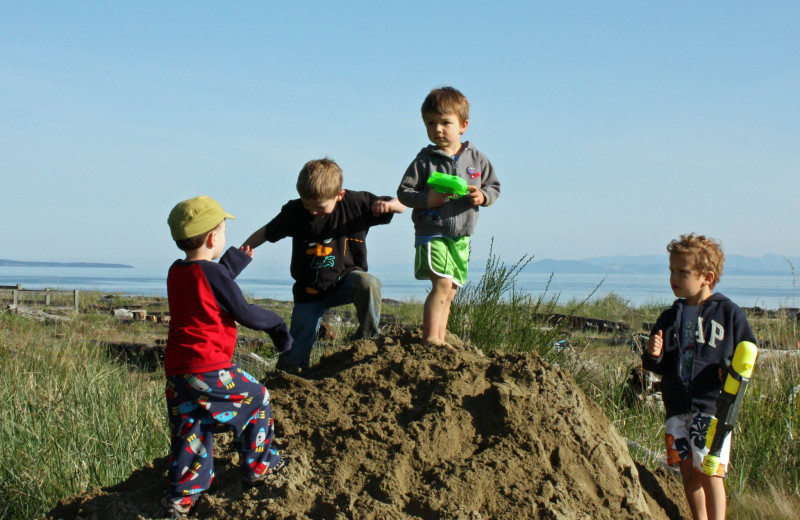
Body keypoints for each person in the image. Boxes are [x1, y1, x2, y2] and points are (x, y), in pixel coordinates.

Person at [163, 195, 293, 518]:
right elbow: (242, 310)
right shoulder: (214, 275)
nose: (224, 236)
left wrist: (230, 266)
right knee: (258, 398)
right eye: (223, 230)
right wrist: (278, 327)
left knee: (191, 428)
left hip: (179, 370)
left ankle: (181, 497)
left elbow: (204, 286)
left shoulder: (176, 272)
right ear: (212, 238)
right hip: (210, 367)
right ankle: (259, 465)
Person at [242, 158, 405, 373]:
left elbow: (402, 204)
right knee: (296, 350)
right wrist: (242, 251)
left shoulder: (355, 204)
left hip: (345, 280)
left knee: (369, 283)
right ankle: (289, 377)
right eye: (307, 205)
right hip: (309, 291)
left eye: (319, 208)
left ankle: (367, 339)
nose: (312, 212)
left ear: (340, 195)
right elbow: (266, 231)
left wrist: (391, 205)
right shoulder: (295, 211)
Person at [642, 233, 756, 520]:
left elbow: (747, 354)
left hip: (711, 408)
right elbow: (656, 365)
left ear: (707, 276)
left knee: (710, 472)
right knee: (688, 473)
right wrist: (653, 354)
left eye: (683, 272)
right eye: (671, 270)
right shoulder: (670, 316)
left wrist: (728, 370)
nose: (674, 277)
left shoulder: (728, 313)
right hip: (677, 408)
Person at [397, 86, 501, 346]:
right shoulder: (424, 161)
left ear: (463, 125)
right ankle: (430, 338)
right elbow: (404, 193)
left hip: (462, 234)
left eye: (445, 122)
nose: (438, 129)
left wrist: (483, 197)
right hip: (432, 231)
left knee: (451, 290)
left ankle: (440, 339)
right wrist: (427, 199)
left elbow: (493, 187)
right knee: (441, 285)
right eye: (431, 123)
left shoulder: (477, 159)